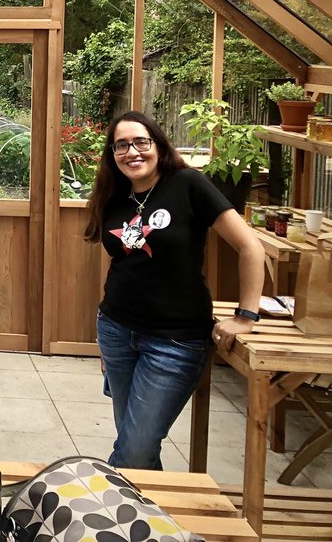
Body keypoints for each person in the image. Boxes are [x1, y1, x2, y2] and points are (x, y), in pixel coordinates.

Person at [85, 110, 265, 469]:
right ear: (112, 154)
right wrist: (106, 337)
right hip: (117, 330)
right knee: (137, 444)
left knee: (134, 449)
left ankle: (104, 499)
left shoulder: (188, 185)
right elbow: (121, 261)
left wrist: (245, 316)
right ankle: (149, 521)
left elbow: (251, 247)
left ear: (158, 145)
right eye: (121, 146)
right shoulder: (114, 194)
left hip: (175, 342)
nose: (132, 152)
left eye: (140, 142)